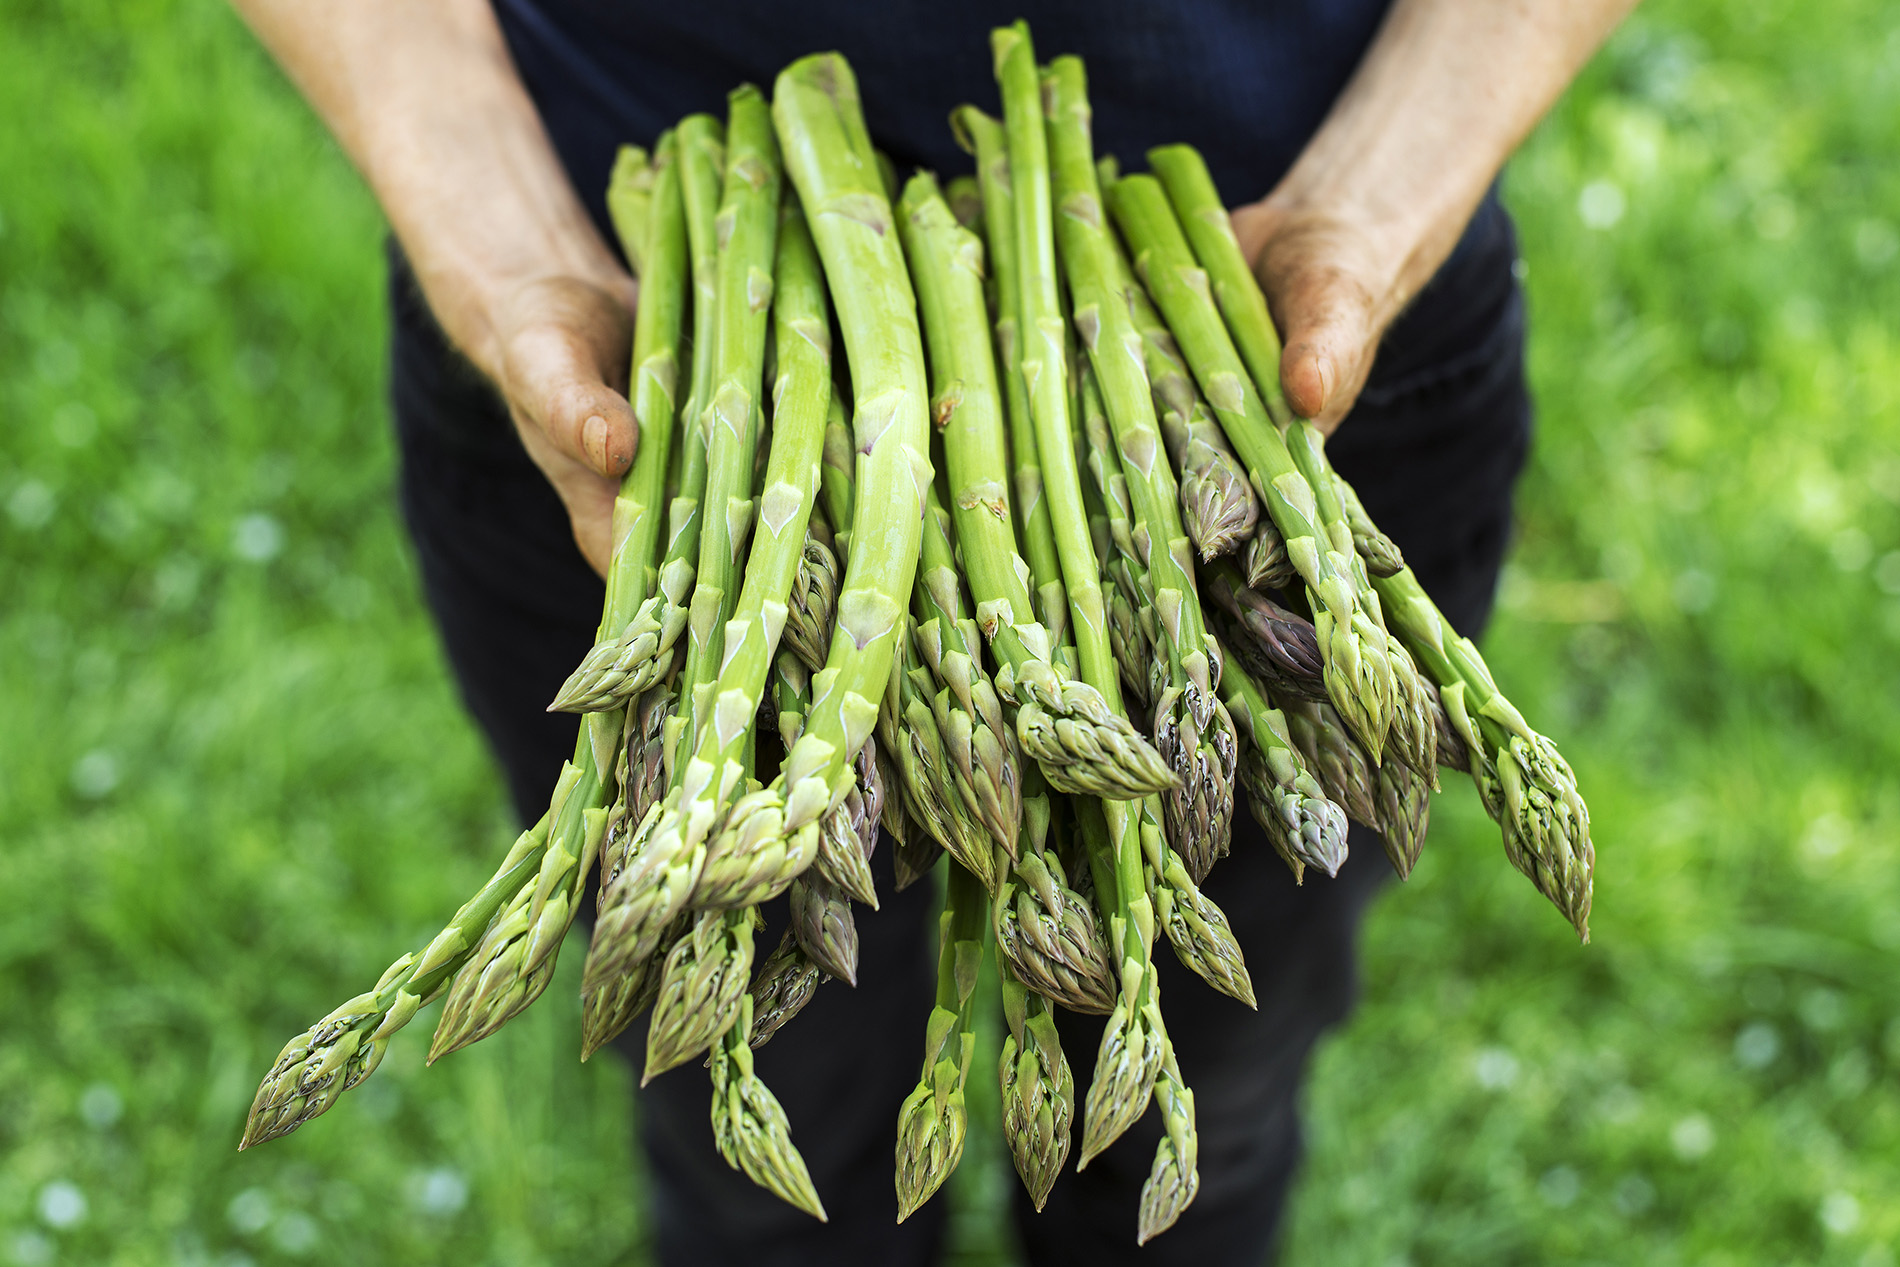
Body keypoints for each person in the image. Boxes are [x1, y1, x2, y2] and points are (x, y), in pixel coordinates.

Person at [230, 1, 1636, 1262]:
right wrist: (498, 241)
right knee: (761, 1172)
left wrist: (1378, 205)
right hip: (643, 381)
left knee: (1192, 1141)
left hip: (1264, 365)